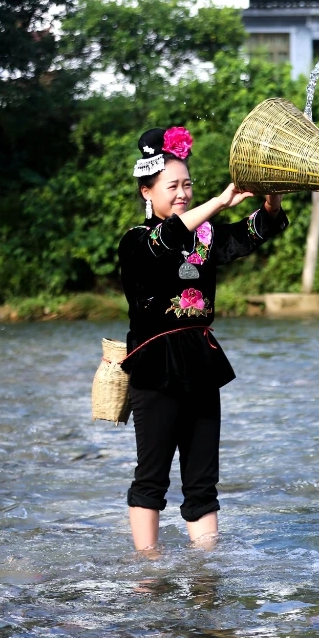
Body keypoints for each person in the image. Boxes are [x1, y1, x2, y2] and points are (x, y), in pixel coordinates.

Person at [118, 126, 288, 552]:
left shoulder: (206, 237)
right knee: (152, 475)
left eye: (187, 185)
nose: (182, 193)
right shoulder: (137, 241)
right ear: (146, 192)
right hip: (154, 366)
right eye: (172, 186)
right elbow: (167, 238)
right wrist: (218, 201)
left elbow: (254, 233)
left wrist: (272, 198)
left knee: (202, 479)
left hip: (201, 362)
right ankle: (147, 571)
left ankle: (207, 571)